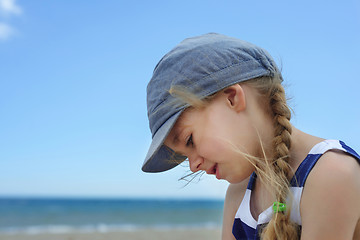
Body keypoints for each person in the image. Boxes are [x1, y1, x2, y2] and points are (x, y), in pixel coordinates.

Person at [141, 33, 360, 239]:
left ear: (232, 99)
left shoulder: (331, 174)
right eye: (183, 155)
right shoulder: (238, 195)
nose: (193, 166)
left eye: (190, 140)